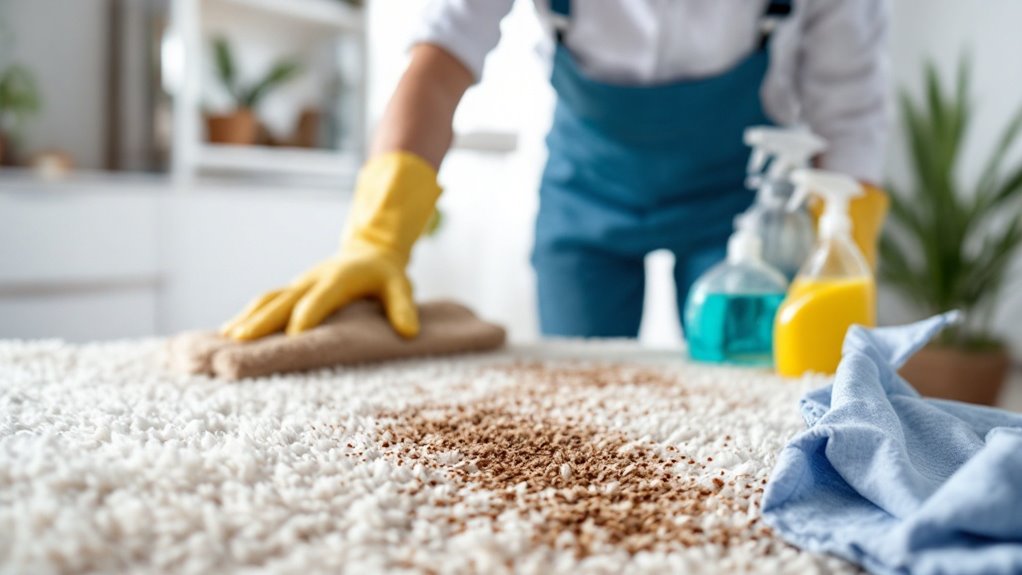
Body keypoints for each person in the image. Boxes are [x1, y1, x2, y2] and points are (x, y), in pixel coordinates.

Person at [221, 0, 889, 341]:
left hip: (736, 205)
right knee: (577, 391)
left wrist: (842, 266)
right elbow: (439, 62)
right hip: (585, 192)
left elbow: (848, 109)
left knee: (741, 377)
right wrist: (376, 237)